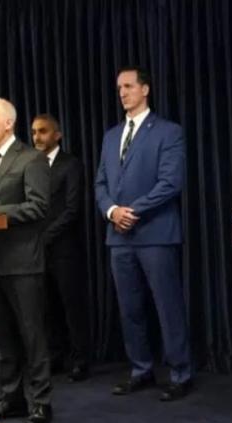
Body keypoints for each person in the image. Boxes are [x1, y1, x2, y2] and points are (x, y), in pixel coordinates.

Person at [94, 66, 193, 401]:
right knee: (129, 308)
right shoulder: (111, 136)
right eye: (119, 87)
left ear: (145, 89)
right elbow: (101, 183)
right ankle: (141, 369)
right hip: (118, 237)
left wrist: (132, 211)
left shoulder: (168, 132)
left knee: (167, 306)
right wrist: (111, 210)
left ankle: (181, 372)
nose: (122, 92)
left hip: (155, 234)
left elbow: (170, 182)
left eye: (129, 86)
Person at [0, 97, 54, 423]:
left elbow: (38, 206)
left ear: (8, 123)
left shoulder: (31, 159)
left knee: (32, 335)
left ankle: (41, 402)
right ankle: (12, 397)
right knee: (2, 335)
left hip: (22, 262)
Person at [31, 114, 92, 382]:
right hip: (36, 251)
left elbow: (72, 209)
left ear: (57, 135)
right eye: (33, 132)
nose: (37, 137)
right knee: (46, 307)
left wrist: (44, 236)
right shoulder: (30, 165)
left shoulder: (71, 164)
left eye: (43, 131)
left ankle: (80, 359)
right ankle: (56, 355)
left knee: (71, 306)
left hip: (64, 248)